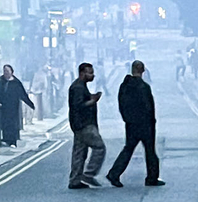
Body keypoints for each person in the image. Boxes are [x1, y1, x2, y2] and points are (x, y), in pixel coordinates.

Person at [108, 58, 161, 187]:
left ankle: (114, 174)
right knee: (150, 152)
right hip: (145, 125)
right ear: (142, 70)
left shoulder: (124, 86)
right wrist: (152, 122)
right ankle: (151, 178)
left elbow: (121, 104)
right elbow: (149, 107)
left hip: (131, 124)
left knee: (128, 149)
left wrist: (127, 119)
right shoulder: (144, 87)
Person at [66, 62, 106, 188]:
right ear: (82, 73)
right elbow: (78, 106)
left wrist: (91, 97)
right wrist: (93, 101)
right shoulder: (78, 87)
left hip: (78, 124)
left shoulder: (80, 86)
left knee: (79, 153)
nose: (93, 75)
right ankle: (88, 174)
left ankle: (75, 180)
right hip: (85, 124)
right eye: (90, 72)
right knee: (99, 147)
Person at [0, 64, 35, 147]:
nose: (6, 73)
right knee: (4, 123)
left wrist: (30, 104)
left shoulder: (16, 82)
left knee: (13, 124)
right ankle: (5, 139)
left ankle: (13, 141)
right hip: (2, 106)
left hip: (13, 106)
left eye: (7, 71)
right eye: (4, 71)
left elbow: (23, 94)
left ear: (12, 72)